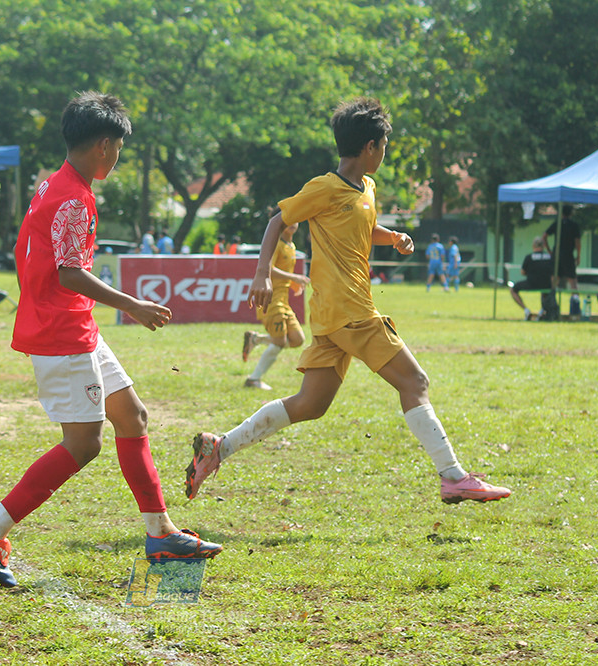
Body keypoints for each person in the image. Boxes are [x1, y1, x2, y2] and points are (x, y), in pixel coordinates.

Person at [183, 97, 510, 506]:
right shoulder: (325, 187)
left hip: (332, 316)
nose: (386, 152)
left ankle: (219, 448)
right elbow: (278, 221)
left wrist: (392, 237)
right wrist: (262, 271)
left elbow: (364, 225)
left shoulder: (366, 188)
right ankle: (454, 476)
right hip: (350, 311)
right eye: (385, 144)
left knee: (310, 404)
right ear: (370, 146)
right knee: (415, 382)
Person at [0, 92, 222, 588]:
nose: (119, 157)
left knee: (133, 416)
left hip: (71, 325)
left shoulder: (54, 184)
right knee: (83, 445)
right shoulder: (74, 199)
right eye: (120, 147)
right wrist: (133, 305)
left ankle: (160, 532)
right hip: (61, 332)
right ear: (104, 144)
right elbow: (69, 273)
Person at [241, 222, 310, 390]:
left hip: (283, 301)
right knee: (280, 341)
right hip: (270, 299)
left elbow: (281, 273)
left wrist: (292, 283)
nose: (293, 223)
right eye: (288, 220)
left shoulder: (291, 246)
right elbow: (268, 268)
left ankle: (256, 339)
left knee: (297, 340)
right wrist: (295, 278)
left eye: (295, 219)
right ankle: (253, 379)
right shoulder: (275, 244)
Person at [542, 205, 581, 310]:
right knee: (572, 281)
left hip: (556, 254)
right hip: (568, 255)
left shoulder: (557, 224)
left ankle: (551, 305)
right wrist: (578, 255)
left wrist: (550, 250)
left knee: (554, 280)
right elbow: (577, 241)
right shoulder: (574, 225)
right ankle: (575, 306)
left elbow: (544, 236)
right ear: (571, 213)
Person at [509, 237, 553, 320]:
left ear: (533, 246)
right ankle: (542, 310)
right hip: (546, 284)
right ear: (543, 246)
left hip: (531, 283)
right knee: (546, 291)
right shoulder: (549, 257)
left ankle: (526, 310)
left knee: (513, 289)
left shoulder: (529, 257)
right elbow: (552, 272)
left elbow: (522, 272)